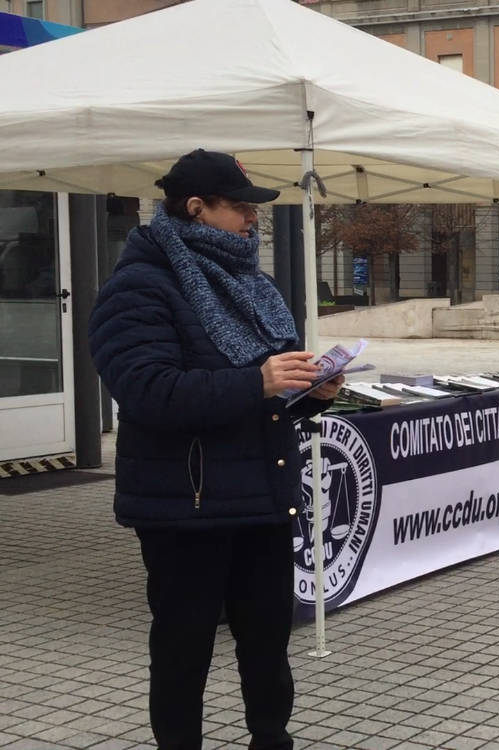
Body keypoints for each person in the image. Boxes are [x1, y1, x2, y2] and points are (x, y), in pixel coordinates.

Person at [88, 150, 343, 750]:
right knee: (183, 649)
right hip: (187, 505)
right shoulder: (138, 285)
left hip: (263, 495)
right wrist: (258, 380)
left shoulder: (250, 282)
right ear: (196, 208)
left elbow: (267, 399)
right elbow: (149, 392)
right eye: (240, 208)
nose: (252, 220)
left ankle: (270, 738)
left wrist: (313, 392)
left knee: (267, 643)